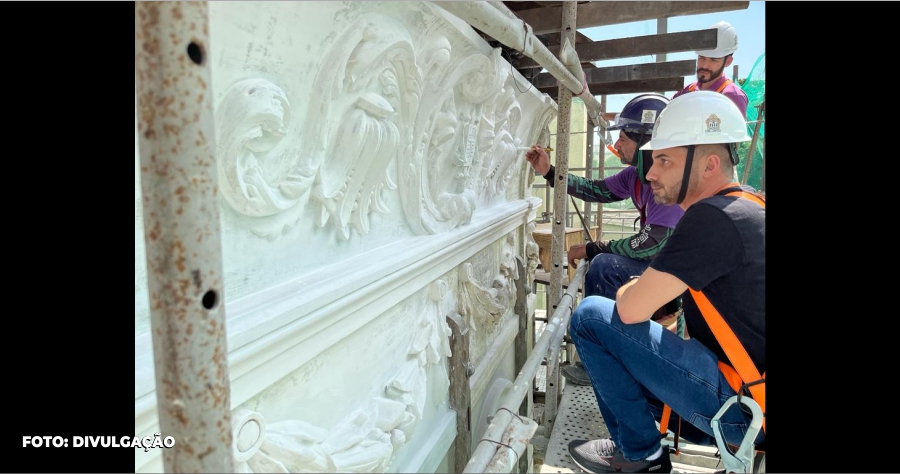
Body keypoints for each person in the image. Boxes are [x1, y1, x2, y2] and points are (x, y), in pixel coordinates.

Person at [565, 91, 765, 473]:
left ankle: (643, 457)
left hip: (744, 410)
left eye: (664, 160)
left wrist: (631, 289)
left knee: (592, 318)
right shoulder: (750, 207)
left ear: (708, 166)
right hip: (751, 395)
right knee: (623, 355)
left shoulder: (711, 217)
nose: (651, 172)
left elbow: (629, 307)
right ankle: (634, 443)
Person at [525, 93, 684, 386]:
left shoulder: (664, 182)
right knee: (603, 260)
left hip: (673, 272)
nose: (618, 144)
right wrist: (549, 171)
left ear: (646, 140)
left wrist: (593, 247)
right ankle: (607, 344)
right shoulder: (635, 176)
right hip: (661, 262)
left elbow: (653, 243)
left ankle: (600, 360)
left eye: (624, 137)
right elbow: (595, 190)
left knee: (604, 265)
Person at [673, 21, 749, 118]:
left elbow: (736, 132)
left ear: (728, 61)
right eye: (702, 57)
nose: (704, 65)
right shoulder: (687, 91)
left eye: (713, 60)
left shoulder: (732, 96)